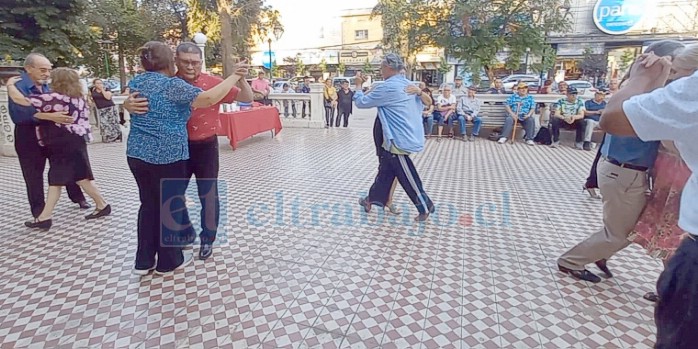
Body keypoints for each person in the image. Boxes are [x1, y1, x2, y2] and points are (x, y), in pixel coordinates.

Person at [557, 40, 685, 284]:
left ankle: (600, 253)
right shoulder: (643, 96)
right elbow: (666, 135)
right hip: (624, 173)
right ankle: (571, 260)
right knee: (620, 233)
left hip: (621, 171)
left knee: (630, 227)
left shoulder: (636, 88)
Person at [599, 47, 698, 349]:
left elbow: (618, 116)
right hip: (626, 174)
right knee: (619, 232)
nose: (672, 84)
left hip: (639, 178)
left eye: (676, 77)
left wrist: (642, 80)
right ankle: (576, 260)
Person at [125, 41, 248, 276]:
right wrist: (233, 75)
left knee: (152, 206)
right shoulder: (173, 85)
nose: (191, 66)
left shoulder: (138, 81)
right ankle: (169, 261)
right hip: (168, 154)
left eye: (195, 62)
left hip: (140, 154)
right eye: (184, 62)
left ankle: (145, 261)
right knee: (167, 205)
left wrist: (127, 104)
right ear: (173, 62)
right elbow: (209, 99)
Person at [626, 43, 698, 304]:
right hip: (672, 178)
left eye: (678, 74)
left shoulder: (684, 106)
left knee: (674, 236)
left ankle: (672, 289)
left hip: (681, 182)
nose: (674, 79)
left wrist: (645, 80)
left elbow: (666, 140)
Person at [7, 68, 111, 230]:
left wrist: (10, 85)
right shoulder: (79, 98)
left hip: (63, 144)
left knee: (56, 180)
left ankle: (44, 217)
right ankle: (102, 205)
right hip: (76, 141)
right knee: (81, 177)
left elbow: (20, 100)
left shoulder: (55, 99)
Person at [355, 53, 435, 222]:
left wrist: (358, 86)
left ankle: (424, 205)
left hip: (397, 138)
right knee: (385, 171)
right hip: (402, 134)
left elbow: (361, 103)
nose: (380, 70)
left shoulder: (388, 87)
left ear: (389, 68)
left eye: (382, 67)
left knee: (406, 174)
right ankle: (371, 199)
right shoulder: (408, 84)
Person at [89, 78, 122, 143]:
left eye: (100, 83)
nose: (99, 84)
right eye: (97, 83)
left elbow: (108, 97)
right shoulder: (92, 90)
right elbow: (91, 96)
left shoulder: (106, 89)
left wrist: (102, 90)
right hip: (101, 108)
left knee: (112, 122)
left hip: (109, 107)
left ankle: (116, 136)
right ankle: (107, 137)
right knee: (104, 123)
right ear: (94, 84)